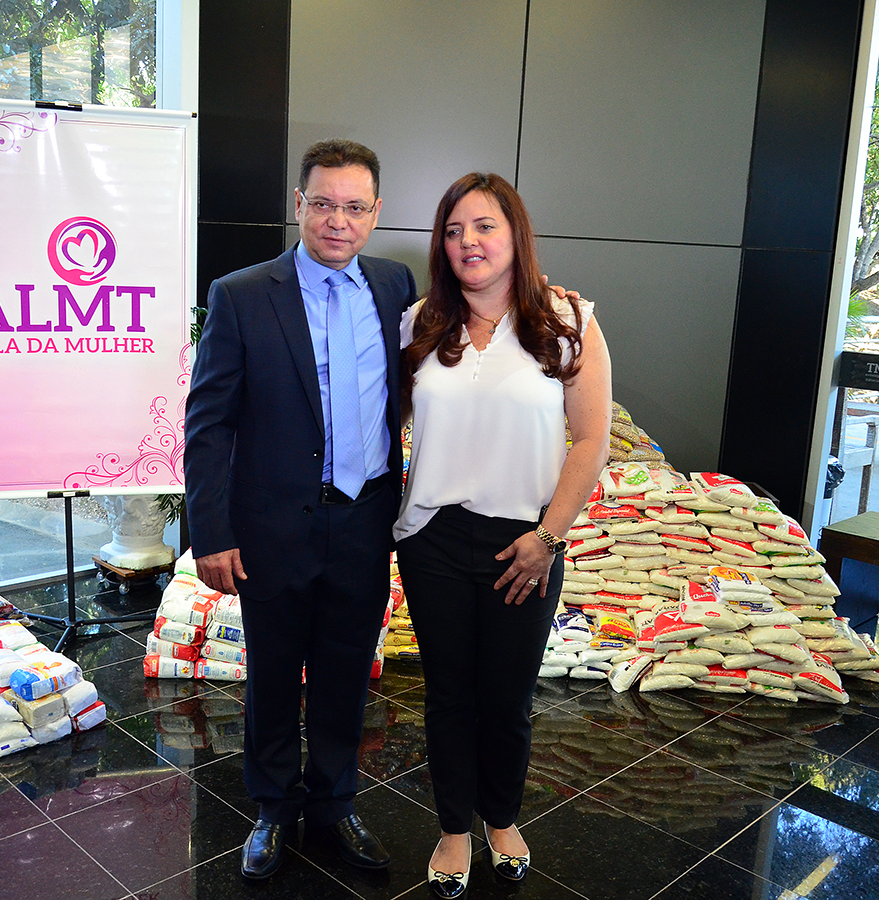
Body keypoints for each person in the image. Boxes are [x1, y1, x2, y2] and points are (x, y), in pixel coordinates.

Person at [183, 139, 417, 880]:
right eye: (322, 204)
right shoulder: (243, 294)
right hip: (274, 524)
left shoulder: (394, 285)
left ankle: (336, 803)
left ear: (374, 213)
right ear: (298, 204)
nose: (337, 221)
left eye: (354, 207)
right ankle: (273, 808)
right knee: (275, 674)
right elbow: (208, 424)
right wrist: (211, 532)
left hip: (363, 518)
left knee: (348, 672)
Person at [394, 172, 612, 897]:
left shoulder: (568, 319)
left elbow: (590, 440)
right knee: (449, 694)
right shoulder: (421, 322)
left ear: (516, 234)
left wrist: (547, 537)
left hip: (526, 541)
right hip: (431, 537)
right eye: (454, 230)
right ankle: (454, 828)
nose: (468, 242)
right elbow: (383, 422)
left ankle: (503, 818)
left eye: (484, 226)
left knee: (508, 695)